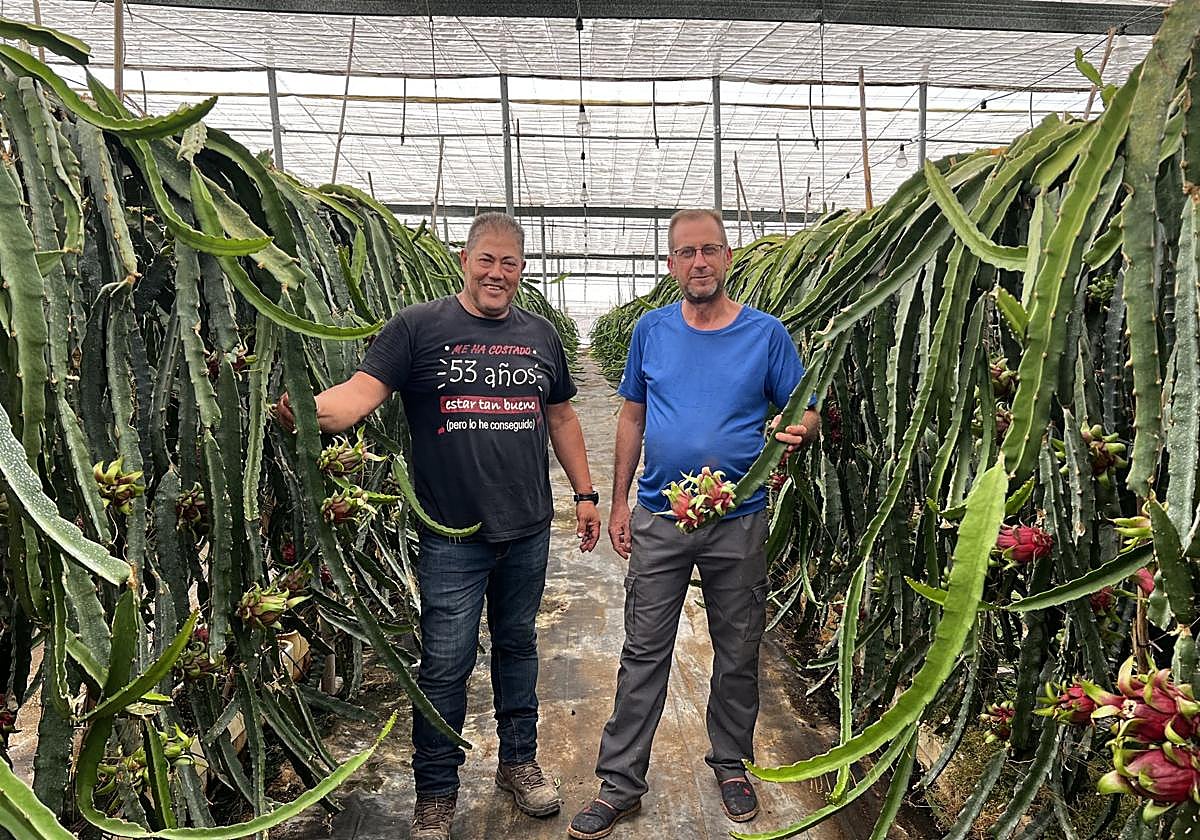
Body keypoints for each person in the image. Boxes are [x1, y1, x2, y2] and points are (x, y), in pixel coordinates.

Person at [277, 212, 601, 840]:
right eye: (487, 259)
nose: (497, 273)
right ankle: (435, 792)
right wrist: (300, 407)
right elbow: (358, 395)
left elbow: (561, 417)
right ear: (465, 259)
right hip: (451, 534)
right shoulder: (418, 329)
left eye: (510, 262)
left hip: (528, 528)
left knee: (518, 649)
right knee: (445, 665)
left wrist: (585, 494)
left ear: (523, 268)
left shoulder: (541, 336)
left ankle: (518, 764)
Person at [567, 209, 819, 840]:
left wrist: (800, 430)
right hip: (659, 513)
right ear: (671, 262)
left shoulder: (767, 336)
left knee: (738, 647)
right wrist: (620, 500)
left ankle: (730, 763)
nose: (698, 262)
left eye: (709, 250)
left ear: (727, 257)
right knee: (644, 648)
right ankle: (620, 781)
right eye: (685, 252)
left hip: (740, 516)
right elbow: (631, 416)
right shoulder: (651, 331)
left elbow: (806, 409)